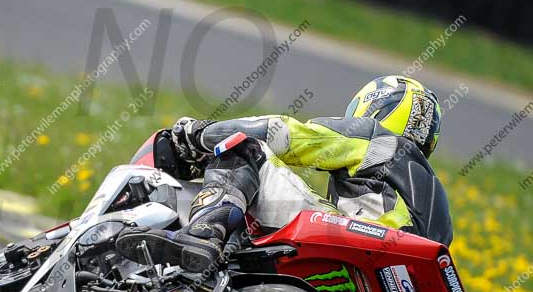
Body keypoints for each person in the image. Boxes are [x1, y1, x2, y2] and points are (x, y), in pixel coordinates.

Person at [116, 75, 453, 272]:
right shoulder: (439, 210)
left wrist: (196, 135)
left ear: (375, 106)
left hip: (351, 243)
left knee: (243, 146)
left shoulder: (375, 137)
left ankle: (204, 234)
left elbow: (284, 134)